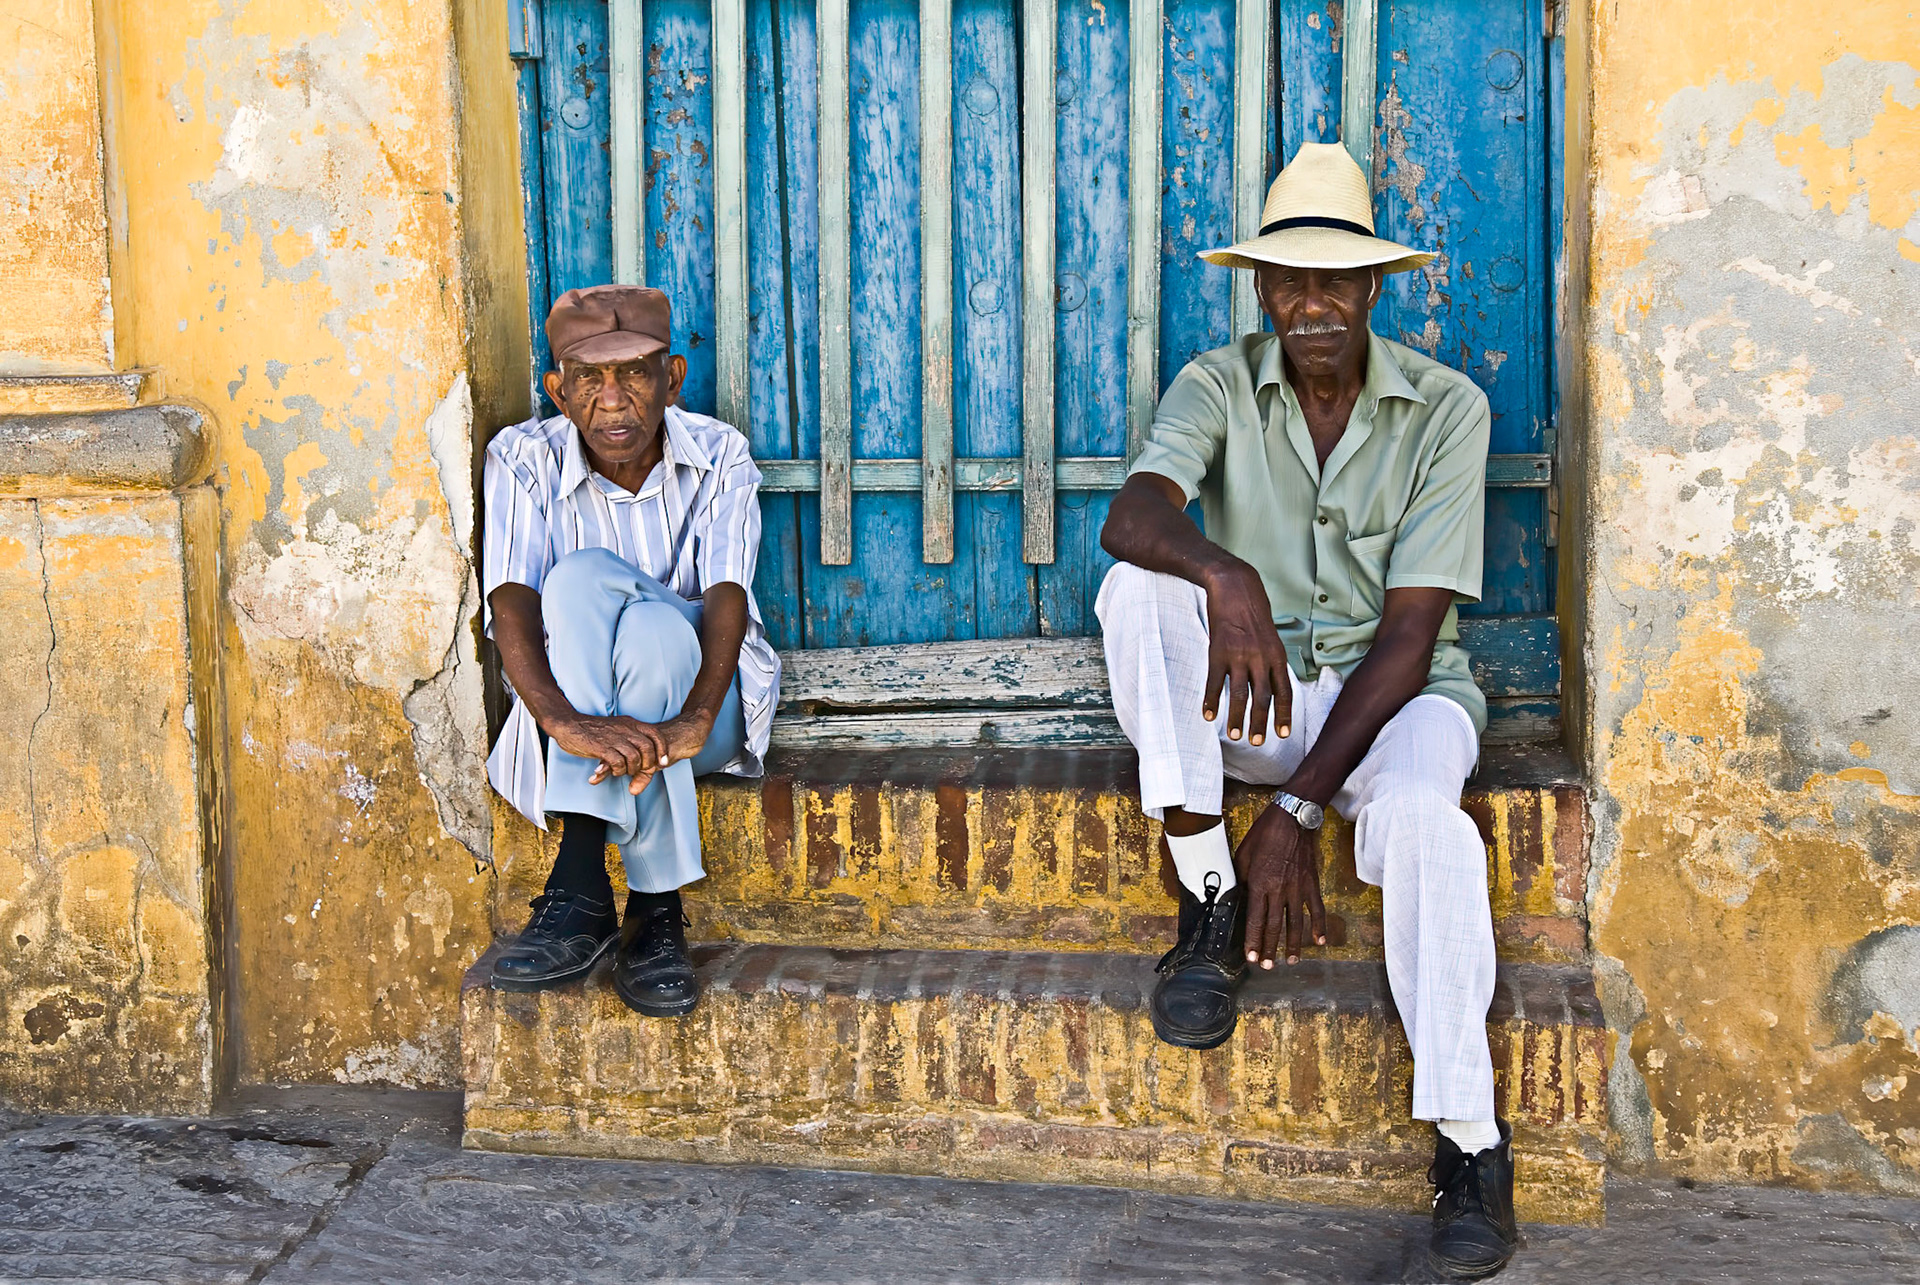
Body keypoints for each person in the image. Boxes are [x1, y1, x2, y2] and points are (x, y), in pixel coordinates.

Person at [1096, 143, 1517, 1279]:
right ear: (1263, 290)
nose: (1316, 303)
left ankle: (1469, 1145)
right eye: (1292, 280)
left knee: (1433, 828)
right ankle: (1209, 895)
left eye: (1340, 280)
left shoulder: (1446, 408)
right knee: (1142, 586)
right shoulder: (1218, 381)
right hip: (1262, 688)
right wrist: (1225, 580)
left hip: (1398, 702)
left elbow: (1411, 640)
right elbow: (1133, 516)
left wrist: (1294, 809)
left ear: (1374, 289)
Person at [481, 284, 779, 1018]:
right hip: (578, 710)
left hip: (705, 711)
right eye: (588, 377)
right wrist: (566, 724)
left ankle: (579, 885)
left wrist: (695, 718)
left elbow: (727, 596)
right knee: (578, 583)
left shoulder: (720, 455)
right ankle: (655, 913)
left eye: (635, 373)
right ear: (557, 389)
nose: (612, 400)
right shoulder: (521, 457)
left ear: (672, 378)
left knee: (653, 625)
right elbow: (511, 600)